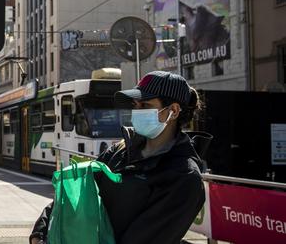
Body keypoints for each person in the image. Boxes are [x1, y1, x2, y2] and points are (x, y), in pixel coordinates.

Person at [30, 71, 210, 244]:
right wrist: (39, 233)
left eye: (145, 105)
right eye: (135, 105)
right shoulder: (119, 151)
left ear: (174, 111)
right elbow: (74, 194)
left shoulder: (184, 177)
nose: (137, 111)